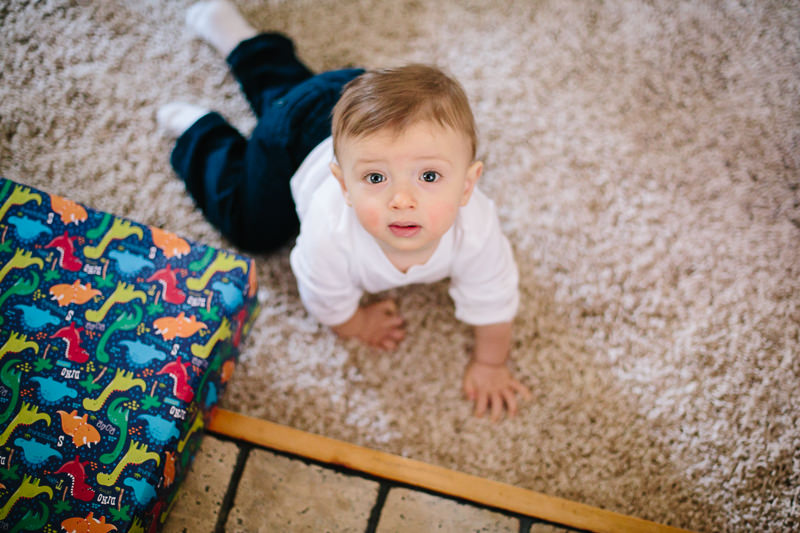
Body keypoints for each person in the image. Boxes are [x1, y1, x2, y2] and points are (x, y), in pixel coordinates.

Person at [158, 0, 531, 421]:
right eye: (375, 180)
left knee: (285, 91)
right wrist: (356, 324)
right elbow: (323, 292)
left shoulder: (477, 229)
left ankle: (239, 39)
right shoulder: (329, 233)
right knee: (254, 227)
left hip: (356, 106)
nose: (402, 200)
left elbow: (495, 296)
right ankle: (201, 132)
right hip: (294, 141)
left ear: (467, 184)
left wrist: (491, 363)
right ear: (344, 186)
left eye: (429, 177)